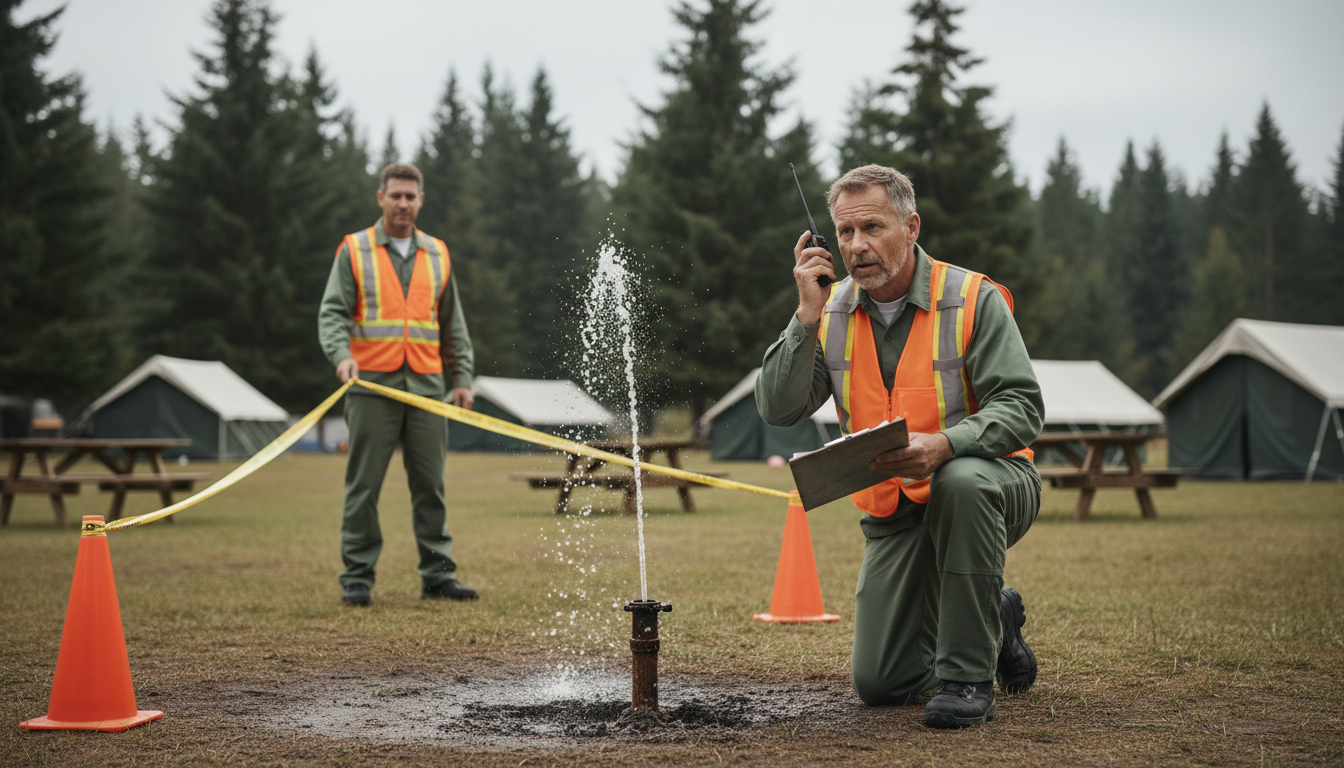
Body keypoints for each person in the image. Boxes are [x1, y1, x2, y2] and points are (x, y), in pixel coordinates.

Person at [756, 165, 1043, 728]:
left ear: (911, 227)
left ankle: (967, 679)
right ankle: (995, 615)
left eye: (873, 228)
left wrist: (945, 445)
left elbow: (1022, 408)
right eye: (844, 233)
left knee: (960, 481)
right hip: (895, 510)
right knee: (881, 684)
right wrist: (805, 316)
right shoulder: (829, 310)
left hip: (992, 487)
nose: (857, 246)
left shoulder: (973, 298)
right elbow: (777, 408)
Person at [318, 163, 477, 607]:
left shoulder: (439, 253)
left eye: (411, 196)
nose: (403, 203)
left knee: (431, 485)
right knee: (363, 485)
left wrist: (461, 378)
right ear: (380, 197)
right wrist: (341, 356)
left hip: (427, 387)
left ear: (421, 200)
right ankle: (357, 577)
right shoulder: (354, 250)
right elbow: (332, 314)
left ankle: (438, 575)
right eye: (396, 195)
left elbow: (453, 324)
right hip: (372, 388)